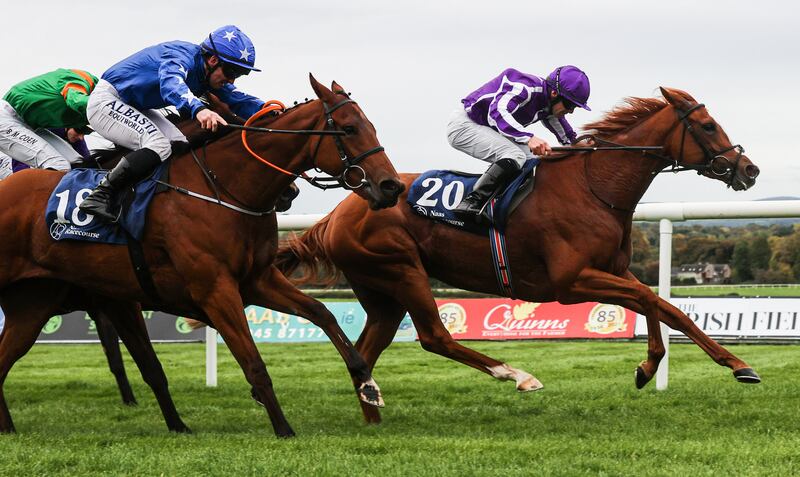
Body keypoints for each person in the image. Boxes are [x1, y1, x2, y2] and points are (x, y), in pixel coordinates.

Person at [79, 25, 267, 222]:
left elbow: (239, 100)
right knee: (158, 144)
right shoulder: (180, 55)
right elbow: (171, 83)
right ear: (212, 60)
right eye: (231, 72)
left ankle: (152, 199)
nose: (232, 80)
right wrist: (199, 109)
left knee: (180, 144)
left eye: (238, 74)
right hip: (107, 101)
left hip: (133, 106)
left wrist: (271, 110)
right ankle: (100, 195)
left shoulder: (206, 74)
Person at [449, 65, 591, 217]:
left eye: (575, 107)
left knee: (535, 160)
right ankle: (471, 202)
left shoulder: (548, 104)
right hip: (465, 125)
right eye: (570, 105)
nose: (570, 111)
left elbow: (568, 137)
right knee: (515, 155)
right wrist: (528, 138)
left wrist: (580, 146)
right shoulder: (525, 88)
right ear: (554, 93)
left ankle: (510, 208)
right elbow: (496, 112)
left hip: (487, 128)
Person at [0, 69, 98, 173]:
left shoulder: (74, 129)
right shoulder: (83, 81)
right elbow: (21, 154)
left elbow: (86, 161)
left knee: (77, 164)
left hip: (29, 123)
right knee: (59, 165)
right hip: (6, 117)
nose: (81, 136)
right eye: (80, 131)